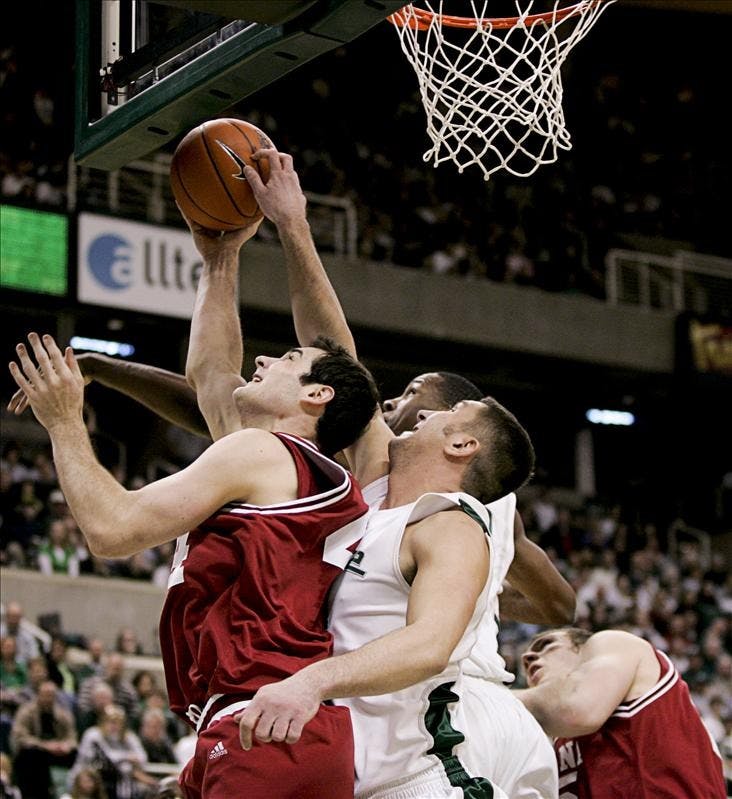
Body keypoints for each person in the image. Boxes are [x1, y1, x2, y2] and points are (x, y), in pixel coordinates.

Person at [189, 149, 563, 798]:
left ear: (463, 440)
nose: (410, 410)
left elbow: (429, 643)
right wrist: (287, 225)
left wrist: (313, 680)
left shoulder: (449, 525)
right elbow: (336, 361)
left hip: (426, 769)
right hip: (335, 754)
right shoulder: (368, 486)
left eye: (446, 410)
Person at [8, 220, 380, 798]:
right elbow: (210, 375)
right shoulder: (303, 471)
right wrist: (219, 259)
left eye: (285, 358)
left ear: (317, 394)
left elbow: (113, 531)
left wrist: (61, 420)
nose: (261, 361)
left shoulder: (261, 453)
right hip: (290, 724)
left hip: (260, 717)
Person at [515, 627, 727, 798]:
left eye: (547, 645)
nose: (529, 656)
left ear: (582, 651)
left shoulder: (615, 644)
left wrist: (489, 696)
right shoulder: (548, 735)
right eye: (525, 663)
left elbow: (577, 710)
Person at [10, 679, 77, 799]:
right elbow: (20, 736)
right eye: (45, 695)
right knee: (31, 754)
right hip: (35, 753)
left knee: (75, 753)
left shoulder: (62, 713)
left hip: (57, 752)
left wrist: (65, 745)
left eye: (51, 695)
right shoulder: (26, 711)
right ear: (38, 694)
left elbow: (72, 736)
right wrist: (44, 745)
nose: (48, 698)